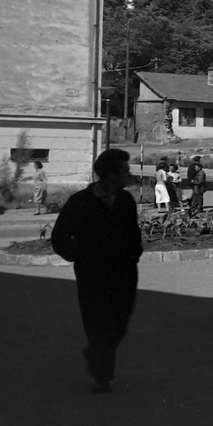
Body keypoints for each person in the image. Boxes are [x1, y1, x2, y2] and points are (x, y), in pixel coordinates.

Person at [51, 149, 142, 393]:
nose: (129, 174)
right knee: (97, 324)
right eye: (125, 170)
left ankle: (96, 354)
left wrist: (135, 253)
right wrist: (78, 255)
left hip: (124, 274)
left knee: (119, 323)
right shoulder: (80, 201)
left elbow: (133, 234)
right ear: (111, 174)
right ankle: (102, 376)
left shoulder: (125, 201)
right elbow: (59, 236)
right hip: (92, 275)